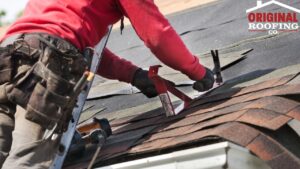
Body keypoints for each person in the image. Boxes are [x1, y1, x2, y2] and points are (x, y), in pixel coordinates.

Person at [0, 0, 215, 168]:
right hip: (47, 64)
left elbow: (82, 48)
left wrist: (134, 75)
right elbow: (157, 36)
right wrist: (198, 71)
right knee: (28, 159)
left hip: (8, 56)